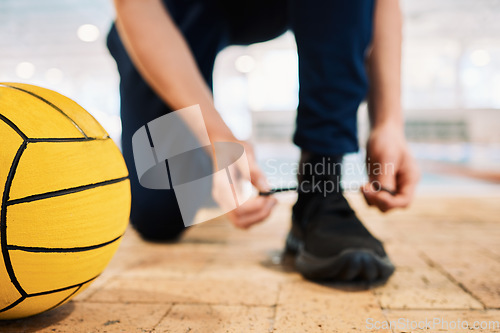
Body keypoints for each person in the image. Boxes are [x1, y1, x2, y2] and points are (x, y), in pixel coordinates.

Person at [107, 0, 420, 283]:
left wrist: (388, 123)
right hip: (174, 11)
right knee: (159, 215)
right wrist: (217, 141)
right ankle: (205, 163)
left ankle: (321, 187)